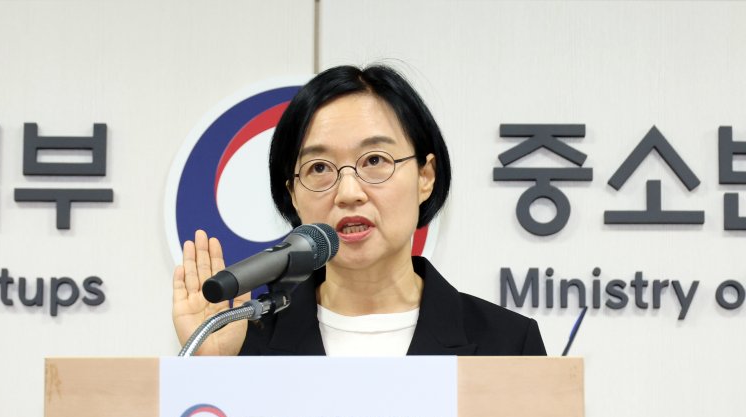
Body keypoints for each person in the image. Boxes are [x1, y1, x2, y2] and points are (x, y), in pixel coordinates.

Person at [172, 64, 546, 356]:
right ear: (293, 195)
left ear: (425, 176)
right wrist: (211, 372)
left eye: (375, 160)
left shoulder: (507, 343)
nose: (348, 193)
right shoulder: (243, 344)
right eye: (320, 167)